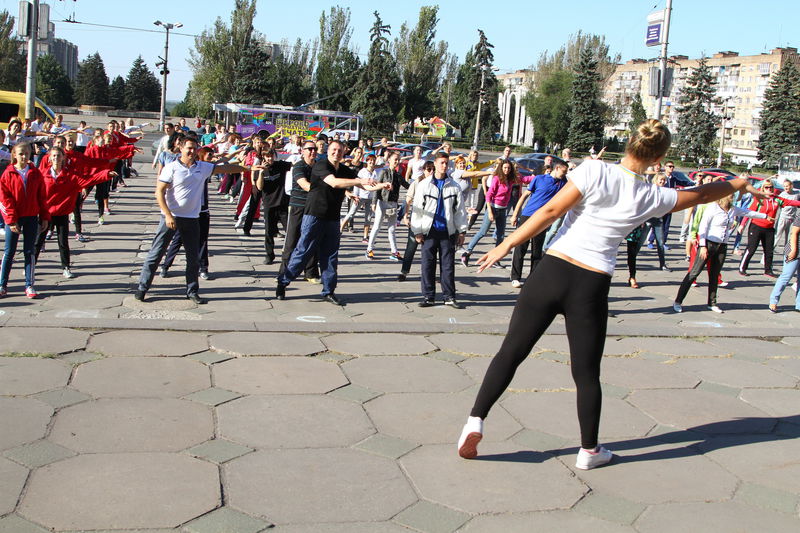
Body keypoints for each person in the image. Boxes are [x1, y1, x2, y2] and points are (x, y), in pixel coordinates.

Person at [456, 119, 767, 469]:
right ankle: (589, 450)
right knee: (586, 372)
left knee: (511, 352)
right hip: (591, 283)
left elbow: (551, 210)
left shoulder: (594, 170)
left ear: (630, 142)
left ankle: (475, 421)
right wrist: (740, 182)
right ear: (659, 157)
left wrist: (506, 245)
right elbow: (704, 193)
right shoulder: (653, 195)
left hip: (553, 270)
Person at [135, 137, 255, 304]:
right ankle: (142, 287)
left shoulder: (203, 167)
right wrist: (168, 215)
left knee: (193, 258)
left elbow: (225, 168)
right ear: (181, 148)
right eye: (189, 148)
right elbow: (159, 193)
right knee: (156, 255)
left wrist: (248, 167)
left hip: (192, 219)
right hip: (171, 218)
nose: (191, 151)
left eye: (194, 148)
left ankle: (192, 291)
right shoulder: (171, 168)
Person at [276, 140, 389, 304]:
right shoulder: (321, 165)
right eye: (334, 150)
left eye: (340, 150)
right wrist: (360, 181)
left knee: (330, 255)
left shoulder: (344, 169)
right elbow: (335, 182)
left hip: (332, 218)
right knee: (303, 251)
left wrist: (381, 185)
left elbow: (366, 186)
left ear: (344, 152)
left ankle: (328, 291)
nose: (337, 153)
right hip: (314, 215)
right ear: (328, 151)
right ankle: (283, 282)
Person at [673, 194, 770, 313]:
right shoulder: (712, 208)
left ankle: (712, 303)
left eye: (733, 195)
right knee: (694, 273)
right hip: (708, 244)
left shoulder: (733, 209)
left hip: (722, 246)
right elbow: (703, 227)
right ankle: (678, 301)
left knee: (714, 275)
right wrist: (702, 246)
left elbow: (748, 213)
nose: (732, 196)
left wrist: (765, 216)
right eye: (729, 194)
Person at [34, 147, 116, 279]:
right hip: (45, 214)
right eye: (53, 156)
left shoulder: (71, 175)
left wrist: (106, 174)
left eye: (58, 156)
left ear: (63, 158)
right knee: (38, 242)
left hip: (61, 214)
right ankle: (31, 266)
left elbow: (89, 179)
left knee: (63, 242)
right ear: (49, 158)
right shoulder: (42, 174)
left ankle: (66, 267)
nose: (56, 158)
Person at [410, 152, 468, 308]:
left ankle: (449, 296)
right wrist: (417, 231)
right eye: (441, 162)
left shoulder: (454, 186)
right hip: (429, 231)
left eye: (446, 163)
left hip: (447, 232)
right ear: (434, 164)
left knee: (448, 266)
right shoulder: (424, 184)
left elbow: (460, 210)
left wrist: (462, 231)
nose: (444, 166)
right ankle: (428, 296)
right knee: (427, 265)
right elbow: (417, 210)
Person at [0, 143, 50, 298]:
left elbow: (42, 197)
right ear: (14, 155)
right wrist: (11, 220)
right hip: (14, 218)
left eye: (27, 153)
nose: (24, 156)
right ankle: (2, 284)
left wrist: (44, 217)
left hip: (31, 217)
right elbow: (4, 199)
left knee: (30, 251)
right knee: (10, 251)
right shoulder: (8, 174)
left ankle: (29, 285)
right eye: (21, 153)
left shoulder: (35, 173)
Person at [509, 161, 569, 288]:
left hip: (543, 219)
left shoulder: (563, 183)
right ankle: (515, 277)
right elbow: (524, 196)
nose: (565, 174)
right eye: (563, 171)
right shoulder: (539, 179)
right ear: (557, 168)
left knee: (537, 250)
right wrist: (515, 214)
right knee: (521, 247)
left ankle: (532, 279)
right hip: (528, 216)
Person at [278, 140, 321, 284]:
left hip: (314, 208)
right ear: (303, 151)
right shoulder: (298, 166)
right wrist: (323, 191)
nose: (312, 151)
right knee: (291, 241)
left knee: (312, 240)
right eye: (309, 149)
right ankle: (284, 273)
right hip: (297, 207)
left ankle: (311, 272)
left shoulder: (319, 167)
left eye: (314, 149)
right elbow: (304, 184)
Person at [738, 179, 800, 277]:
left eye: (771, 187)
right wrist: (742, 225)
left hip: (769, 228)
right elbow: (749, 212)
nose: (769, 189)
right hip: (756, 226)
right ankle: (742, 267)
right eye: (767, 187)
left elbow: (791, 202)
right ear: (763, 188)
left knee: (769, 250)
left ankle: (768, 270)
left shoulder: (777, 199)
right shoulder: (759, 198)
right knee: (751, 248)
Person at [461, 160, 517, 268]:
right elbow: (489, 196)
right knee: (483, 232)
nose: (507, 170)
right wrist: (490, 211)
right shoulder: (497, 179)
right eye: (505, 168)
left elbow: (524, 179)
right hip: (493, 208)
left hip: (503, 210)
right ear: (501, 168)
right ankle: (467, 253)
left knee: (500, 236)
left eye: (509, 168)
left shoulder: (510, 180)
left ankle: (496, 259)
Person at [365, 151, 408, 261]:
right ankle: (369, 249)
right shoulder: (383, 172)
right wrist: (374, 202)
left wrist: (419, 184)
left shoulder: (398, 174)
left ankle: (394, 252)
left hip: (393, 203)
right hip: (381, 201)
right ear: (389, 160)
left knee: (392, 229)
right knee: (377, 226)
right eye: (395, 160)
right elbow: (377, 187)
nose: (397, 162)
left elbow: (407, 185)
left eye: (398, 160)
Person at [398, 161, 435, 282]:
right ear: (424, 170)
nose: (432, 172)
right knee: (411, 247)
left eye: (433, 169)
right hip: (417, 219)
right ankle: (404, 271)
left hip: (431, 221)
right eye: (429, 169)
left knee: (430, 250)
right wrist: (406, 216)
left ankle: (430, 274)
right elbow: (408, 201)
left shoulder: (437, 183)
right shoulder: (417, 183)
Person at [768, 210, 800, 313]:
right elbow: (794, 233)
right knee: (786, 276)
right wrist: (794, 250)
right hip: (793, 249)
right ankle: (773, 301)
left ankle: (799, 305)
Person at [775, 179, 799, 247]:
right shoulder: (782, 195)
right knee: (776, 237)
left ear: (791, 186)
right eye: (784, 186)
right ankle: (765, 256)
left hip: (792, 219)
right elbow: (776, 205)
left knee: (789, 240)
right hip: (783, 218)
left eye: (787, 186)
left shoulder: (797, 193)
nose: (786, 188)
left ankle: (786, 257)